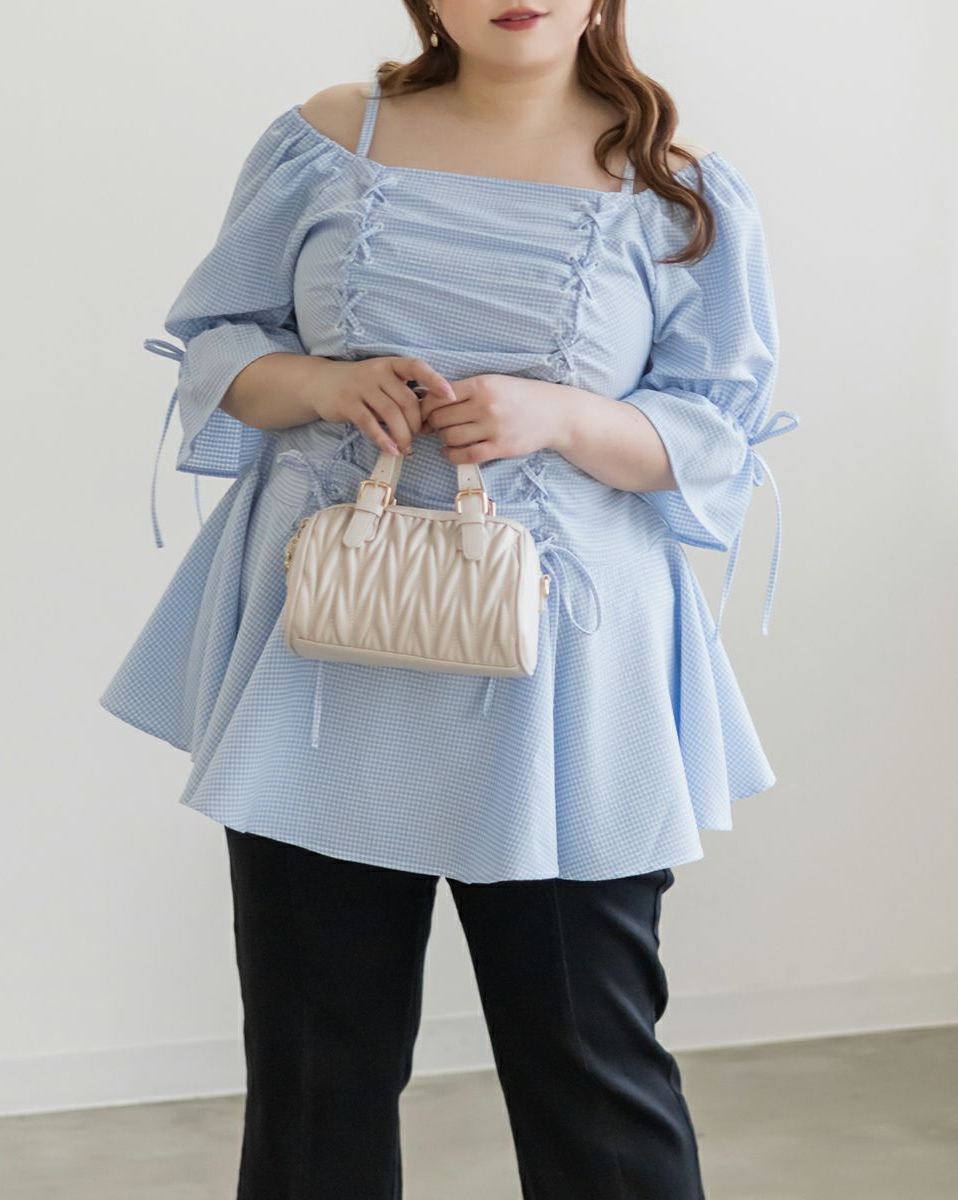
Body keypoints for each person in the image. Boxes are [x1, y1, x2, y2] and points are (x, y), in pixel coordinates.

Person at [100, 2, 800, 1195]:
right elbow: (220, 348)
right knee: (315, 1075)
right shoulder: (328, 138)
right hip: (323, 663)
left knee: (592, 1072)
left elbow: (716, 440)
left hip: (564, 681)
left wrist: (563, 416)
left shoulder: (675, 191)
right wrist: (321, 383)